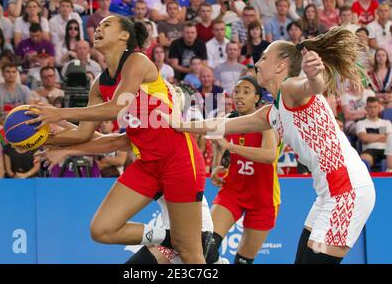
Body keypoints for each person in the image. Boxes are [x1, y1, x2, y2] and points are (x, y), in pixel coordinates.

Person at [161, 24, 376, 264]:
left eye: (264, 58)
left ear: (280, 66)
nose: (258, 63)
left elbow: (310, 87)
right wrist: (180, 125)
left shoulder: (290, 88)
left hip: (347, 190)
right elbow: (222, 124)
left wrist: (314, 76)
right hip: (328, 193)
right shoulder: (273, 112)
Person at [27, 16, 207, 263]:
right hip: (147, 164)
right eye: (98, 26)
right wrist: (43, 138)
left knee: (191, 253)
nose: (98, 28)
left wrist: (61, 113)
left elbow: (115, 108)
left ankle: (178, 241)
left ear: (124, 36)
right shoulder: (99, 84)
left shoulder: (137, 61)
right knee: (102, 229)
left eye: (106, 25)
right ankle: (167, 238)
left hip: (179, 160)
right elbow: (83, 133)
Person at [205, 76, 280, 264]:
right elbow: (217, 143)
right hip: (233, 191)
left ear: (256, 98)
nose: (239, 96)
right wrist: (216, 166)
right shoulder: (228, 121)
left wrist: (232, 148)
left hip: (263, 199)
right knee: (206, 244)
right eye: (237, 91)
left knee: (243, 262)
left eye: (246, 92)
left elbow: (269, 155)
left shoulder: (266, 123)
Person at [356, 96, 392, 170]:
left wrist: (370, 137)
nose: (372, 110)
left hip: (386, 150)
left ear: (379, 108)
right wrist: (382, 136)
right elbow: (364, 138)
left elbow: (389, 139)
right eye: (370, 107)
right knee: (363, 159)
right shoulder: (361, 123)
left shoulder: (385, 123)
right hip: (370, 150)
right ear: (366, 108)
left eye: (375, 107)